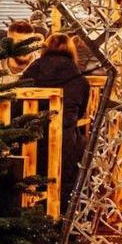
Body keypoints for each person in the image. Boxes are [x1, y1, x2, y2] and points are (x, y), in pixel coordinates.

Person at [20, 33, 96, 203]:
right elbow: (81, 113)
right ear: (72, 51)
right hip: (64, 145)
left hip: (28, 144)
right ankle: (64, 206)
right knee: (83, 144)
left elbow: (17, 104)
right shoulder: (80, 79)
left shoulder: (31, 71)